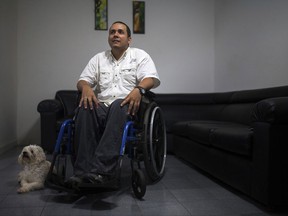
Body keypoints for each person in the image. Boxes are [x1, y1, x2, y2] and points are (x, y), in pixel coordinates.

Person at [67, 21, 160, 186]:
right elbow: (82, 80)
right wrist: (86, 88)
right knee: (85, 107)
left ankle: (102, 172)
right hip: (102, 106)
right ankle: (83, 173)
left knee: (118, 105)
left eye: (120, 32)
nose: (115, 35)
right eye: (112, 32)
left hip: (128, 105)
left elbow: (151, 79)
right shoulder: (98, 58)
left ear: (129, 39)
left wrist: (139, 89)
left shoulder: (140, 56)